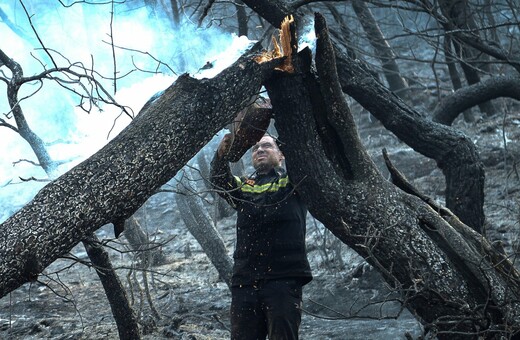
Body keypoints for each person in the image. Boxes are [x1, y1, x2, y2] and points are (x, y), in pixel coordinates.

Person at [210, 132, 312, 340]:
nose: (260, 150)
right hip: (245, 282)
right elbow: (220, 182)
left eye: (267, 146)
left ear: (281, 154)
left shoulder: (292, 182)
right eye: (255, 148)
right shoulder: (245, 186)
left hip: (284, 280)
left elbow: (303, 160)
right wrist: (220, 156)